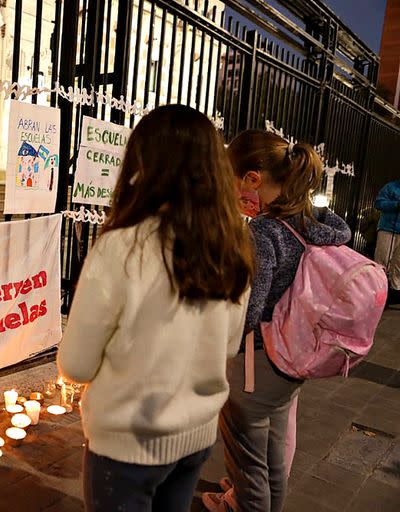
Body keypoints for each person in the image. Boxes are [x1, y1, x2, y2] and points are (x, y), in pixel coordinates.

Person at [57, 105, 254, 512]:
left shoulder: (121, 246)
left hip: (126, 445)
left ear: (141, 165)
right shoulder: (233, 249)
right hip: (196, 438)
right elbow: (229, 347)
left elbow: (76, 364)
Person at [203, 130, 351, 512]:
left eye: (231, 181)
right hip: (293, 360)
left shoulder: (265, 232)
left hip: (258, 365)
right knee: (272, 466)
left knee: (250, 471)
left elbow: (249, 312)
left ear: (253, 179)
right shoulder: (309, 224)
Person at [373, 179, 400, 299]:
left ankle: (396, 290)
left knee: (398, 263)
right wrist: (396, 205)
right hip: (387, 229)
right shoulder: (390, 187)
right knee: (382, 260)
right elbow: (378, 203)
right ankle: (377, 289)